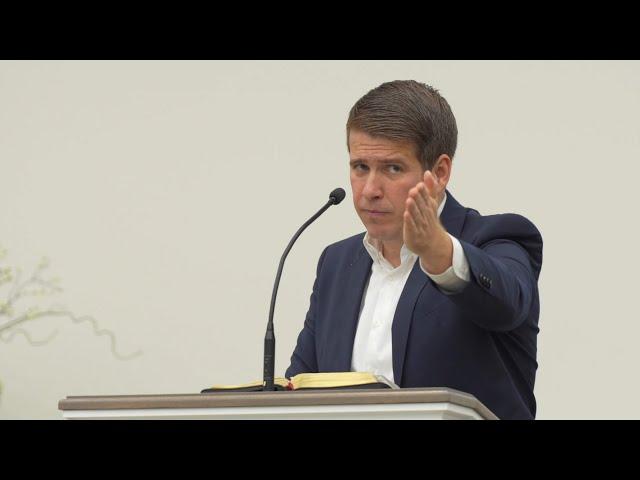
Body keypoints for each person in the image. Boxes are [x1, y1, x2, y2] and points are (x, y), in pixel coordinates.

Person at [285, 80, 543, 420]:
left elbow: (508, 304)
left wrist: (438, 251)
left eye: (392, 168)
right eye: (360, 167)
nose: (370, 189)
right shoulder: (336, 263)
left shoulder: (497, 238)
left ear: (440, 172)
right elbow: (300, 388)